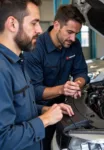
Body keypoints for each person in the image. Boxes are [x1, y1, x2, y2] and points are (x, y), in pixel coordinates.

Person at [0, 1, 74, 150]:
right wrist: (45, 120)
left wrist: (44, 110)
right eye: (34, 23)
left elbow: (19, 107)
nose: (40, 30)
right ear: (13, 24)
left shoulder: (17, 62)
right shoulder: (2, 70)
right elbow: (3, 140)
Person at [23, 4, 90, 150]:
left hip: (65, 109)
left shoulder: (74, 45)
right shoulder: (35, 48)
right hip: (40, 112)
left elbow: (82, 73)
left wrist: (77, 84)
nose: (73, 38)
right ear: (56, 24)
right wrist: (63, 89)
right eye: (70, 32)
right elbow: (32, 91)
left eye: (76, 34)